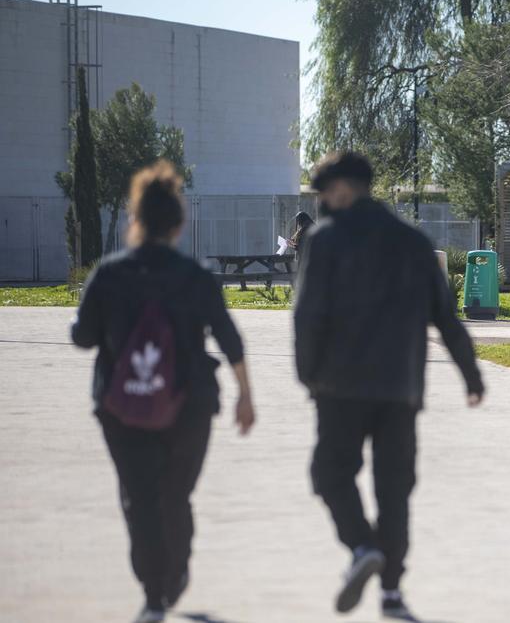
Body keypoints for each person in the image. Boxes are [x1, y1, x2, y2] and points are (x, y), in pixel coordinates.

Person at [294, 151, 485, 619]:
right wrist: (470, 374)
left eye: (323, 193)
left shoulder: (325, 240)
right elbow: (445, 314)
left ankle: (361, 547)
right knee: (394, 489)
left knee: (330, 472)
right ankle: (392, 592)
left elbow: (308, 315)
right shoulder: (411, 241)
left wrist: (307, 374)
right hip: (400, 386)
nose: (322, 203)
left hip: (339, 385)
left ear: (341, 189)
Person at [71, 162, 256, 623]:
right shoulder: (193, 276)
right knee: (175, 495)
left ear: (135, 219)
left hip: (121, 406)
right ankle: (174, 572)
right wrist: (245, 395)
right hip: (189, 407)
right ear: (178, 223)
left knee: (138, 498)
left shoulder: (110, 274)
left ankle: (154, 595)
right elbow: (229, 337)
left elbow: (84, 337)